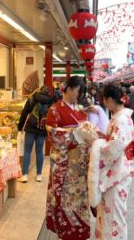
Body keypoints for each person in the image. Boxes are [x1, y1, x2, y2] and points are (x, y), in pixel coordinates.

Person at [45, 76, 91, 239]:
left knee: (80, 199)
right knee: (64, 198)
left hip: (80, 164)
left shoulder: (79, 109)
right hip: (64, 163)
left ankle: (79, 230)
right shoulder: (55, 109)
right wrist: (75, 133)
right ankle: (65, 231)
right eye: (78, 92)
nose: (79, 96)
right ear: (69, 89)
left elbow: (87, 128)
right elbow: (52, 132)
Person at [94, 84, 134, 240]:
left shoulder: (121, 119)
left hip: (117, 172)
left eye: (105, 100)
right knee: (109, 213)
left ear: (110, 99)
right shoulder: (120, 117)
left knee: (114, 216)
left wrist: (98, 147)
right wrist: (101, 135)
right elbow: (114, 141)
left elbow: (115, 147)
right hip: (117, 170)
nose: (105, 104)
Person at [17, 86, 54, 183]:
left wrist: (20, 127)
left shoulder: (32, 98)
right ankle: (39, 175)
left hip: (30, 128)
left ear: (40, 90)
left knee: (27, 151)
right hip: (42, 129)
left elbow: (24, 113)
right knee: (39, 151)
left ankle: (24, 175)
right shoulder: (50, 101)